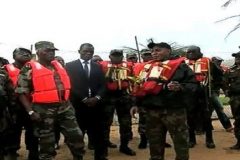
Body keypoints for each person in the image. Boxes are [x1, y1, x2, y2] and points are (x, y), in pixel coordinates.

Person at [16, 41, 84, 160]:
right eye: (47, 50)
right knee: (47, 143)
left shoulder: (58, 65)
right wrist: (31, 112)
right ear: (38, 52)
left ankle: (78, 157)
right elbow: (21, 92)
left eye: (52, 50)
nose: (51, 53)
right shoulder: (29, 67)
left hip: (65, 107)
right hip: (43, 110)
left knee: (76, 136)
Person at [131, 42, 197, 160]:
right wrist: (136, 104)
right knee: (154, 141)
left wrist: (180, 87)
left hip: (174, 111)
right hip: (152, 111)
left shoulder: (180, 66)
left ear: (168, 51)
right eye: (152, 51)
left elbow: (193, 85)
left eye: (158, 50)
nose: (154, 53)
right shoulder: (147, 68)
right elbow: (139, 87)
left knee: (180, 141)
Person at [65, 43, 108, 160]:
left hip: (96, 106)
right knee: (78, 134)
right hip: (78, 105)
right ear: (79, 51)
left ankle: (100, 156)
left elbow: (103, 85)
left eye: (91, 52)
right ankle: (78, 157)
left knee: (99, 133)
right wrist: (83, 98)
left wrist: (97, 98)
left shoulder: (98, 66)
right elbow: (69, 85)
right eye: (85, 51)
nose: (88, 53)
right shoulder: (69, 66)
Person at [2, 48, 39, 160]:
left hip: (32, 106)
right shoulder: (5, 69)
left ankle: (33, 153)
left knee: (33, 132)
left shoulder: (35, 69)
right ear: (14, 56)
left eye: (28, 53)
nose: (25, 54)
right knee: (13, 132)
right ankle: (12, 152)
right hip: (14, 108)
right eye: (21, 52)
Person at [99, 49, 136, 156]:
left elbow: (134, 81)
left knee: (126, 123)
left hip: (124, 96)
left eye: (119, 55)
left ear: (122, 56)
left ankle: (124, 146)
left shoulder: (129, 65)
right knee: (105, 122)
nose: (116, 57)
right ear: (109, 56)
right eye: (114, 55)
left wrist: (133, 98)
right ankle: (104, 145)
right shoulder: (102, 65)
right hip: (107, 96)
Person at [184, 46, 216, 148]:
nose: (190, 54)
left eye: (193, 52)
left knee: (206, 117)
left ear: (199, 52)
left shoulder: (207, 61)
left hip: (204, 92)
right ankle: (191, 139)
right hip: (189, 93)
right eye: (188, 52)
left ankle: (209, 140)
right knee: (190, 117)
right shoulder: (183, 63)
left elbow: (218, 74)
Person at [210, 56, 233, 132]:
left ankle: (207, 126)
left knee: (212, 108)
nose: (220, 63)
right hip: (210, 91)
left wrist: (226, 92)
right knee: (218, 108)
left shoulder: (219, 70)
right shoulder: (210, 68)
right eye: (218, 61)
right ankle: (228, 126)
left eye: (220, 61)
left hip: (214, 91)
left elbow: (222, 82)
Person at [223, 51, 240, 149]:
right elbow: (224, 82)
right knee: (237, 120)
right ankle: (239, 142)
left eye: (239, 57)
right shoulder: (231, 71)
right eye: (236, 57)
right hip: (235, 99)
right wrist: (227, 92)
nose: (237, 58)